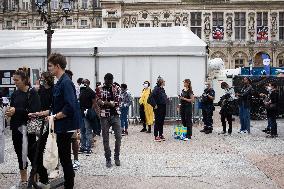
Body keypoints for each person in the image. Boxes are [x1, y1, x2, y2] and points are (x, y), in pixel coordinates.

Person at [5, 67, 48, 188]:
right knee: (20, 155)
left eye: (17, 80)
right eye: (14, 80)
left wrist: (16, 111)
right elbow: (13, 108)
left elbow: (35, 111)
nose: (15, 82)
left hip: (28, 129)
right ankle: (24, 181)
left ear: (24, 80)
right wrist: (9, 112)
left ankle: (38, 179)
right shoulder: (15, 93)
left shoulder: (32, 92)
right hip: (16, 128)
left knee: (32, 155)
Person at [47, 53, 80, 188]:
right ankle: (68, 183)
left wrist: (55, 117)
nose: (49, 69)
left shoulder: (66, 82)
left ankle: (69, 186)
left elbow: (70, 107)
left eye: (50, 66)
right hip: (61, 126)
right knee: (65, 158)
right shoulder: (61, 82)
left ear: (57, 66)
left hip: (65, 126)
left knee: (65, 159)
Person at [96, 73, 122, 168]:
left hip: (115, 115)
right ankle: (108, 158)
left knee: (119, 137)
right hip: (104, 116)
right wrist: (108, 103)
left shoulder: (117, 88)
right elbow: (98, 102)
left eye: (111, 80)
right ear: (105, 80)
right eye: (108, 80)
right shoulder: (99, 89)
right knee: (105, 139)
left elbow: (118, 102)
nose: (110, 82)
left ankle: (117, 157)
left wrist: (105, 103)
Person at [65, 69, 81, 171]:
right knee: (64, 140)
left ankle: (76, 160)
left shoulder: (75, 87)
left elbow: (75, 102)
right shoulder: (62, 85)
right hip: (63, 116)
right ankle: (66, 160)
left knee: (74, 138)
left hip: (72, 116)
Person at [79, 79, 96, 154]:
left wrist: (89, 111)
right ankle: (83, 147)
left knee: (88, 131)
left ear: (88, 83)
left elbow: (94, 103)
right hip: (81, 113)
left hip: (87, 113)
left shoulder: (91, 92)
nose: (83, 84)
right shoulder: (81, 91)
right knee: (82, 131)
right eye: (82, 83)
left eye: (84, 83)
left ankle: (88, 147)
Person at [148, 76, 167, 142]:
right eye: (164, 81)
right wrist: (154, 105)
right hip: (158, 108)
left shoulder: (162, 89)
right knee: (157, 122)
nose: (164, 82)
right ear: (161, 82)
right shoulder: (156, 89)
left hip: (163, 107)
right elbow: (150, 98)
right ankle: (156, 136)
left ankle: (161, 134)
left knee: (161, 121)